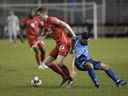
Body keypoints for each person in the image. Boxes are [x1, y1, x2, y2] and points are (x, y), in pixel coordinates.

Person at [36, 7, 76, 87]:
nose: (38, 17)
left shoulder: (51, 19)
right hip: (58, 45)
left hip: (64, 43)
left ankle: (70, 79)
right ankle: (64, 77)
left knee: (58, 63)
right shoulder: (45, 24)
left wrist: (74, 35)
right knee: (46, 63)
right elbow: (45, 33)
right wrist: (39, 40)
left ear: (44, 13)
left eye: (39, 15)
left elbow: (65, 25)